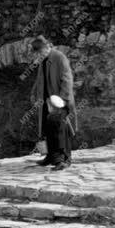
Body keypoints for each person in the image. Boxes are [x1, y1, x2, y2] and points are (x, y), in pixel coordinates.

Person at [29, 35, 78, 167]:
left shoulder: (59, 57)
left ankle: (64, 159)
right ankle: (51, 157)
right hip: (46, 102)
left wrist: (62, 101)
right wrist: (34, 93)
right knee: (48, 129)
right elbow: (40, 80)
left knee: (61, 130)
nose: (38, 55)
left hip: (59, 102)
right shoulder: (43, 60)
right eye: (37, 53)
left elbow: (67, 79)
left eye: (40, 52)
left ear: (46, 47)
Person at [44, 95, 74, 169]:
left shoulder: (58, 120)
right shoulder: (53, 117)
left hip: (60, 146)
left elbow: (60, 138)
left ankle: (61, 163)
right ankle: (51, 159)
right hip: (55, 143)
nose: (48, 108)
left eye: (49, 106)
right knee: (54, 148)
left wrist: (61, 146)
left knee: (59, 150)